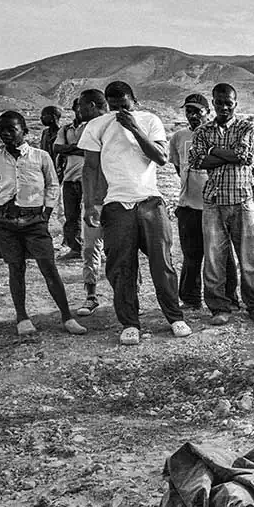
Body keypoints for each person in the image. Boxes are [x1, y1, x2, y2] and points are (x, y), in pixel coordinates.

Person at [79, 80, 191, 345]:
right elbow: (90, 168)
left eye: (125, 106)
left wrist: (134, 127)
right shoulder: (97, 126)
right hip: (116, 204)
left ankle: (175, 317)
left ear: (134, 101)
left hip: (150, 201)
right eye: (114, 106)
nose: (120, 111)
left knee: (162, 263)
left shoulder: (149, 120)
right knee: (121, 267)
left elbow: (161, 158)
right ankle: (130, 323)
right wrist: (90, 204)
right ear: (107, 104)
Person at [0, 111, 86, 336]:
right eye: (1, 130)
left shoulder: (41, 156)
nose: (6, 134)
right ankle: (22, 317)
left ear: (24, 131)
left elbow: (52, 185)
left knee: (49, 267)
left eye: (11, 129)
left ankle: (67, 316)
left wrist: (46, 213)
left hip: (35, 220)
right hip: (5, 220)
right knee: (16, 267)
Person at [188, 83, 254, 326]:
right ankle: (219, 307)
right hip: (213, 202)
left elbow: (244, 156)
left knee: (248, 259)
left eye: (228, 103)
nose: (224, 107)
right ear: (213, 103)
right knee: (214, 259)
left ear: (236, 103)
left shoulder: (247, 127)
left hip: (242, 201)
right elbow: (196, 161)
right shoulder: (202, 131)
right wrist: (229, 155)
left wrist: (213, 151)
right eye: (219, 102)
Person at [169, 93, 238, 311]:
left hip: (216, 205)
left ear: (207, 111)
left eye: (197, 111)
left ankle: (229, 298)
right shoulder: (179, 137)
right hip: (188, 206)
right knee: (191, 255)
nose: (193, 115)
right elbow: (178, 166)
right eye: (188, 111)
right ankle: (191, 299)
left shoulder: (218, 135)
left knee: (222, 255)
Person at [70, 89, 107, 317]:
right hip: (97, 199)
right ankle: (91, 296)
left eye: (81, 106)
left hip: (117, 197)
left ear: (92, 105)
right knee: (91, 248)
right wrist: (89, 202)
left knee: (123, 249)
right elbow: (88, 169)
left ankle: (131, 295)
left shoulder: (114, 126)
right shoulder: (88, 129)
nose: (78, 110)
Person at [51, 99, 85, 261]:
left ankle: (96, 249)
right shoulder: (66, 129)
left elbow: (92, 150)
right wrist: (77, 148)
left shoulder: (92, 127)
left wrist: (69, 149)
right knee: (71, 216)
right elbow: (57, 148)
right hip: (70, 177)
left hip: (89, 178)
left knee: (92, 216)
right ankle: (75, 248)